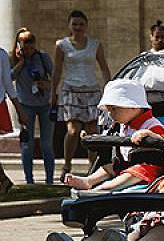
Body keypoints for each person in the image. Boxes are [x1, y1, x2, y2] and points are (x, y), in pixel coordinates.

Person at [63, 79, 164, 192]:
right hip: (124, 164)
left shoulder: (151, 124)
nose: (110, 114)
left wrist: (148, 134)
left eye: (114, 109)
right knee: (108, 168)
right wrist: (91, 137)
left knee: (134, 172)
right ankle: (89, 180)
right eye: (109, 110)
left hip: (147, 167)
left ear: (134, 106)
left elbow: (161, 140)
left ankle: (104, 188)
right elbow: (106, 138)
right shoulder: (121, 125)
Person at [51, 10, 111, 178]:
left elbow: (104, 67)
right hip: (70, 89)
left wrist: (110, 89)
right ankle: (67, 164)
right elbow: (57, 70)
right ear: (69, 25)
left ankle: (92, 166)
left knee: (92, 132)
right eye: (74, 24)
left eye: (81, 24)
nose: (78, 27)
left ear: (86, 26)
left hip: (91, 89)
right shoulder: (61, 45)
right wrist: (53, 93)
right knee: (73, 130)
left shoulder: (95, 44)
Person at [10, 29, 56, 185]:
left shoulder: (43, 58)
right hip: (25, 106)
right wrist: (21, 63)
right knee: (27, 144)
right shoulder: (15, 60)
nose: (28, 51)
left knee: (46, 145)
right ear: (19, 46)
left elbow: (55, 78)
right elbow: (8, 78)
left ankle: (49, 180)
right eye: (25, 48)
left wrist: (47, 85)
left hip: (44, 105)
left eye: (31, 48)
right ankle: (29, 180)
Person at [0, 42, 15, 194]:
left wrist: (19, 109)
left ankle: (3, 180)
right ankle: (3, 179)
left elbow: (8, 84)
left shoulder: (2, 55)